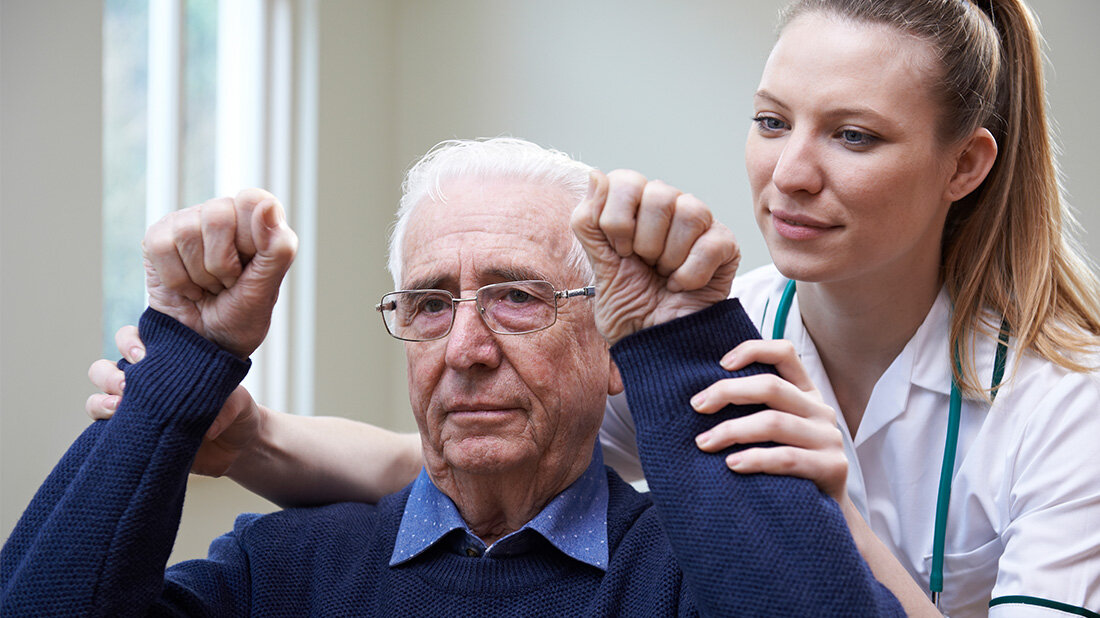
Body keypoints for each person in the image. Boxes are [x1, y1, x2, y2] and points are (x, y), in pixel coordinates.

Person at [85, 1, 1100, 616]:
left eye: (852, 136)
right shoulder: (704, 333)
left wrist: (820, 507)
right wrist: (236, 434)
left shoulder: (1067, 408)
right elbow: (462, 446)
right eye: (768, 121)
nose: (788, 173)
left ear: (962, 165)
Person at [0, 138, 903, 616]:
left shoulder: (691, 574)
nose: (465, 347)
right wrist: (182, 358)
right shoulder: (280, 573)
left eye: (516, 298)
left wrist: (680, 340)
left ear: (612, 347)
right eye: (430, 304)